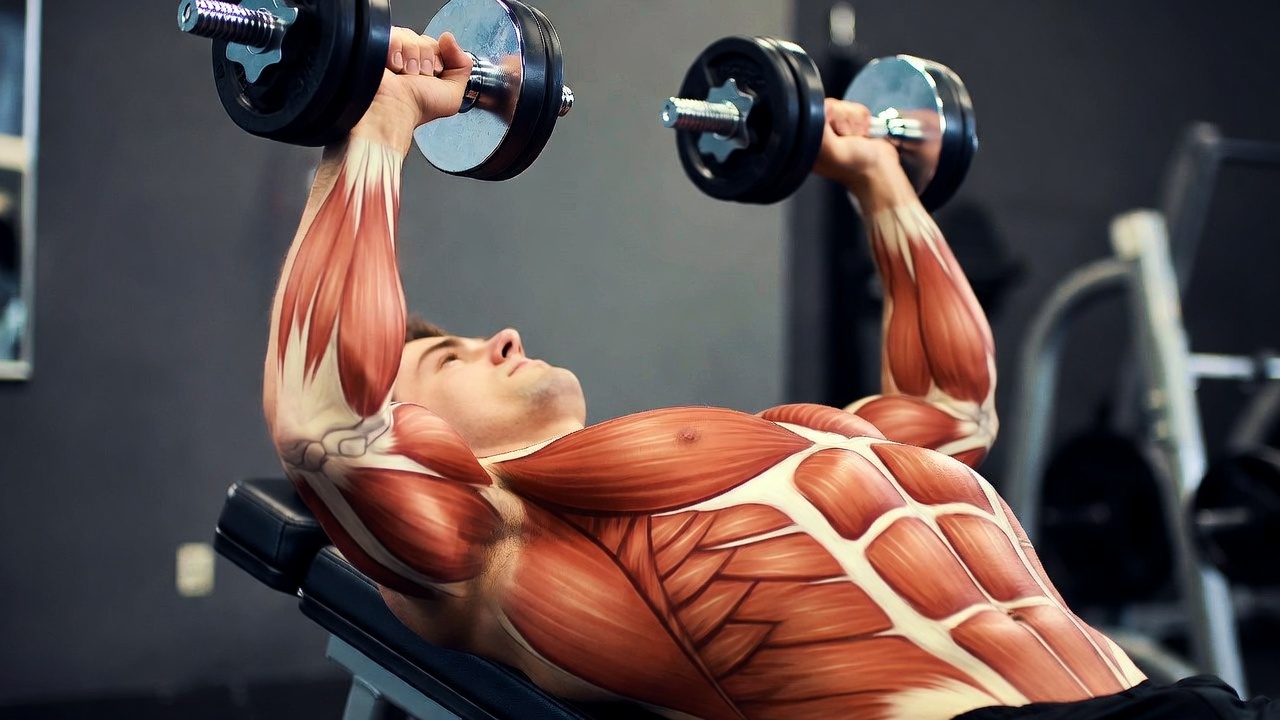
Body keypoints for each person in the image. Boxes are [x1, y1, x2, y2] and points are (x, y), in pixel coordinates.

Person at [262, 27, 1272, 720]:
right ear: (411, 431)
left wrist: (878, 180)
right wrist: (375, 118)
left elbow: (950, 408)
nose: (504, 338)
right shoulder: (500, 543)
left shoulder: (788, 442)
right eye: (450, 356)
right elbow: (324, 424)